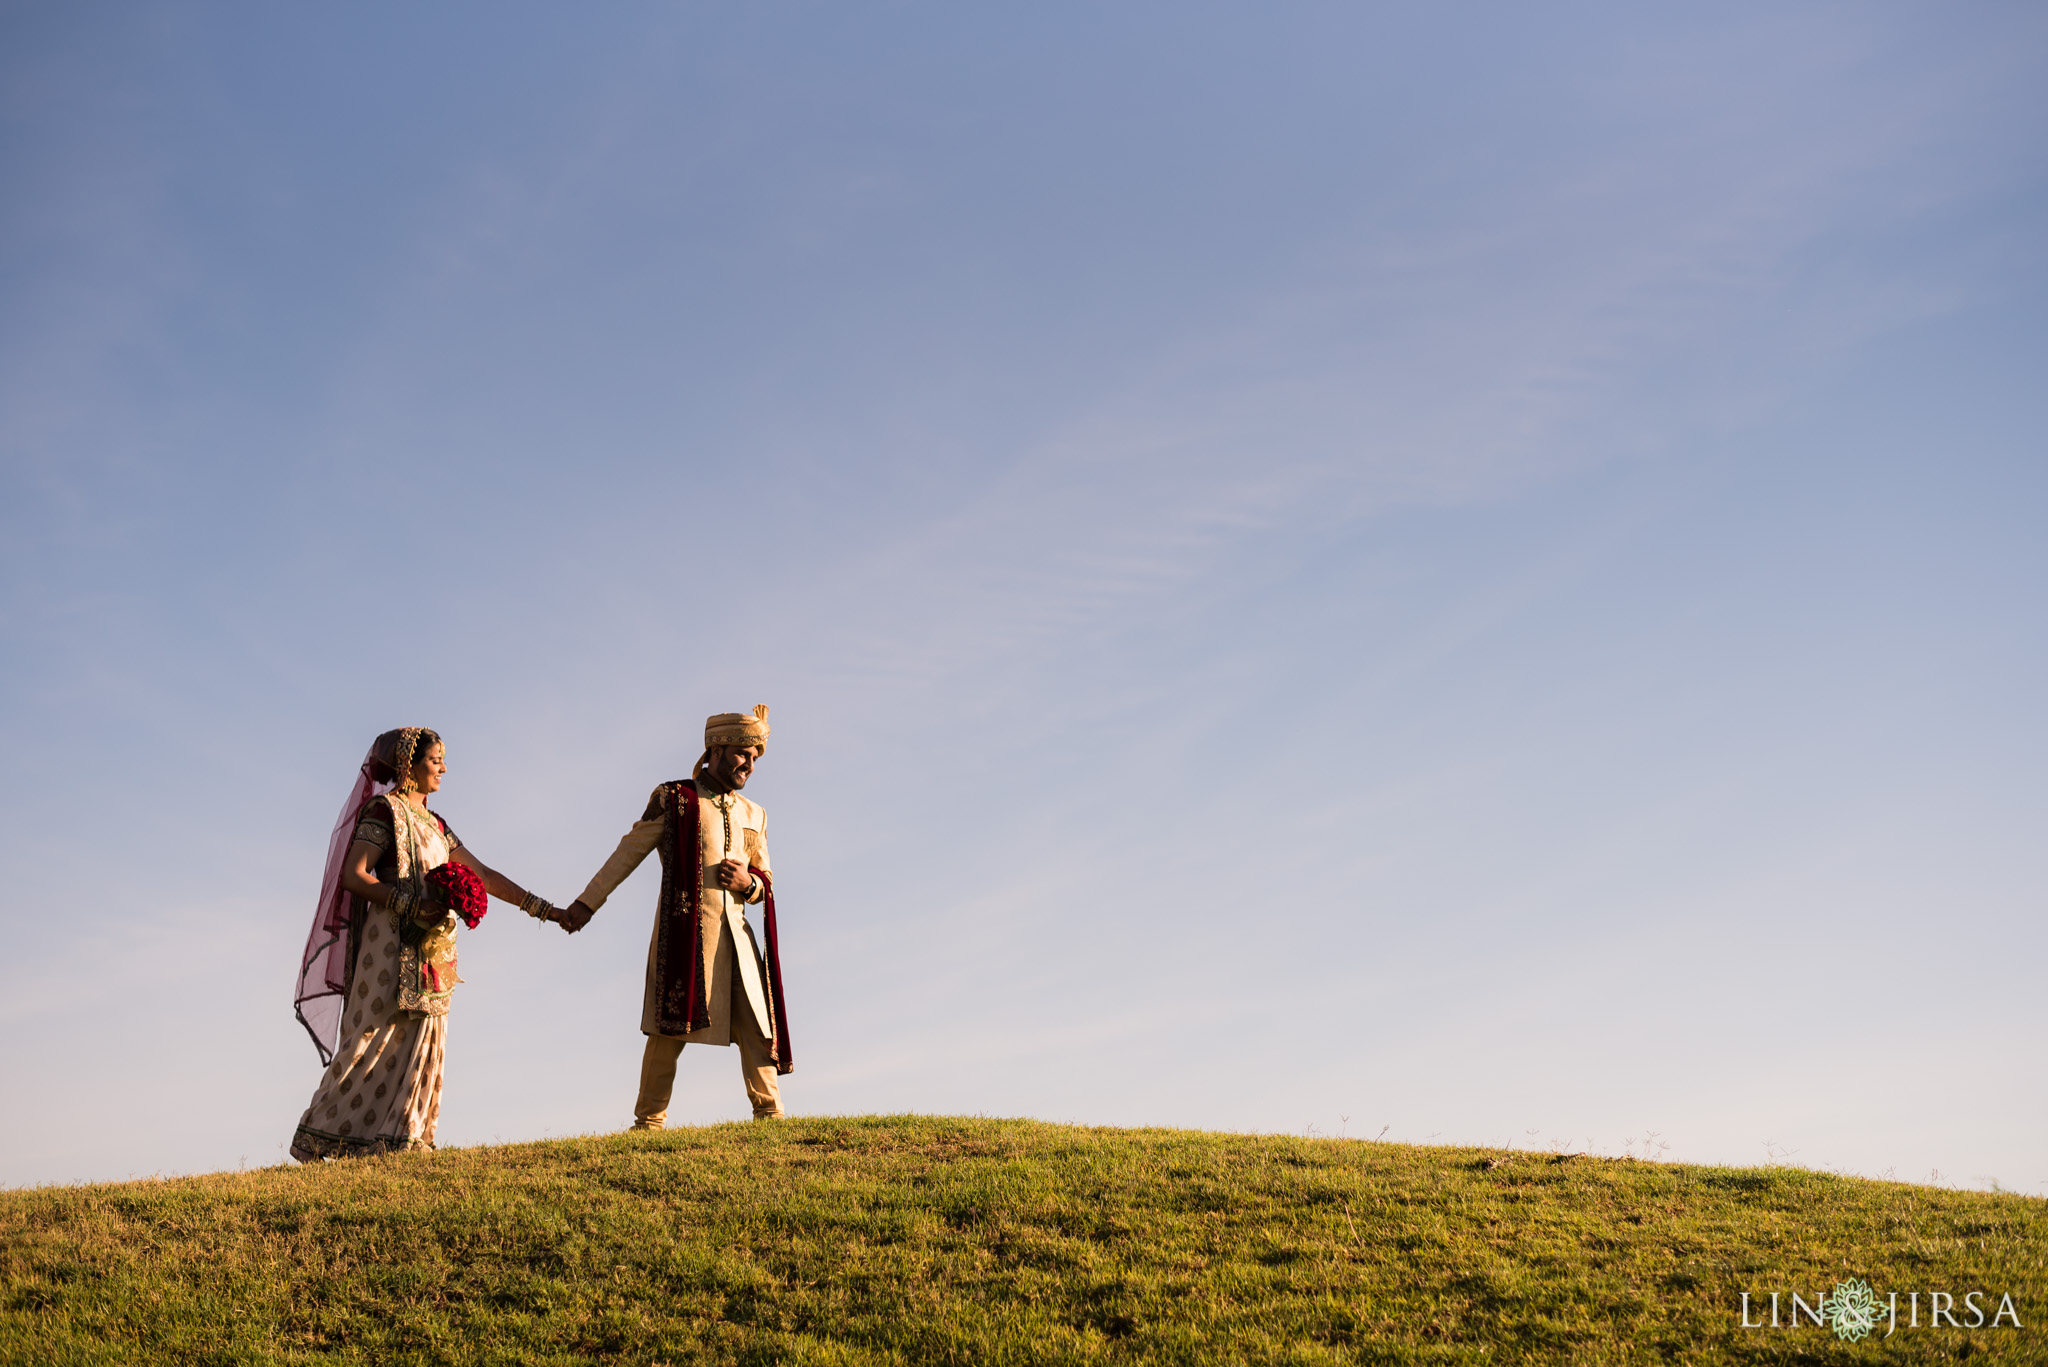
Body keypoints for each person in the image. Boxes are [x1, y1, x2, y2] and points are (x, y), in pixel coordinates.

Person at [289, 727, 567, 1160]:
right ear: (408, 764)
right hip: (389, 945)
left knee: (425, 1037)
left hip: (434, 951)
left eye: (442, 760)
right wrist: (408, 903)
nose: (443, 768)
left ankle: (404, 1139)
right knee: (371, 1039)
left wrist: (545, 910)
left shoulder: (437, 825)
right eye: (435, 759)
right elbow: (354, 875)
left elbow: (484, 876)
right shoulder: (384, 812)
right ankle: (319, 1137)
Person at [556, 705, 794, 1127]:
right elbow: (627, 852)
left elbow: (766, 879)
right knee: (668, 1031)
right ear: (715, 750)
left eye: (756, 757)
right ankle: (648, 1121)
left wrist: (749, 883)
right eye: (742, 754)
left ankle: (770, 1114)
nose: (750, 766)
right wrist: (585, 904)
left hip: (739, 941)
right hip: (686, 936)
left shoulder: (754, 813)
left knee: (758, 1026)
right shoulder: (675, 799)